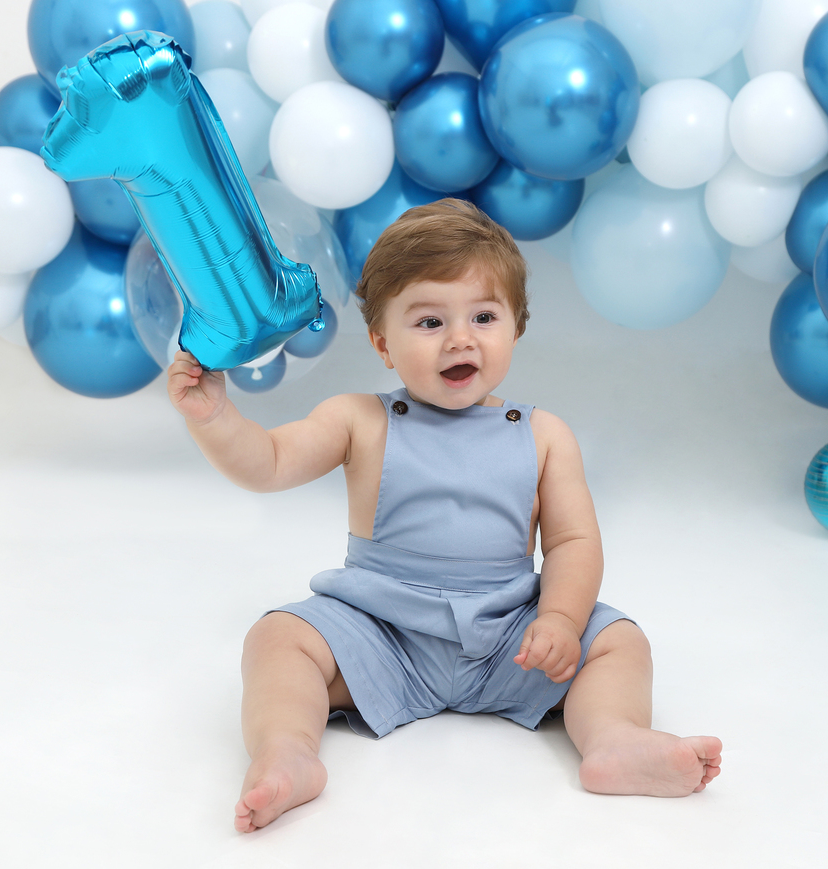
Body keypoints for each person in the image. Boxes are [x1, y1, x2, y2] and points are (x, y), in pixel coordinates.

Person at [167, 199, 722, 834]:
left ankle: (614, 739)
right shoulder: (358, 419)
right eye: (430, 321)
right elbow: (268, 463)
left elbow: (573, 541)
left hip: (512, 640)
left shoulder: (543, 434)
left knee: (619, 640)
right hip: (383, 635)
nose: (461, 338)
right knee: (277, 638)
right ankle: (287, 750)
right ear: (383, 343)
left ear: (515, 327)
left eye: (484, 316)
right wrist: (215, 418)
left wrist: (562, 621)